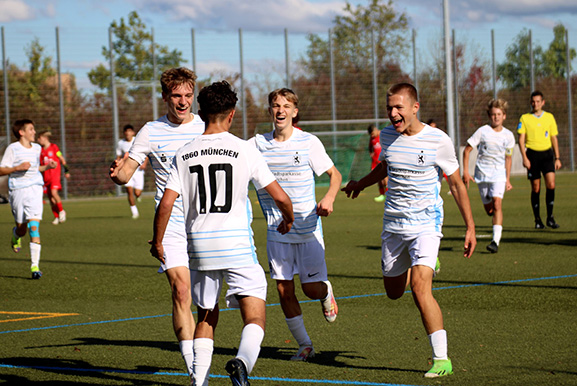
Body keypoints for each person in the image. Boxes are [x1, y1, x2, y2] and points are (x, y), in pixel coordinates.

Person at [150, 80, 294, 386]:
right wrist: (289, 218)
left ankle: (198, 381)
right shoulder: (244, 150)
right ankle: (241, 363)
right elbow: (280, 197)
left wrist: (159, 241)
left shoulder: (184, 153)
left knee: (206, 315)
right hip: (237, 246)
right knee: (254, 316)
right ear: (232, 114)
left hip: (200, 247)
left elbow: (165, 203)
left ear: (200, 112)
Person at [342, 83, 476, 378]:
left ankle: (441, 359)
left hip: (425, 224)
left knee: (419, 287)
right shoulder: (388, 136)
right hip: (394, 224)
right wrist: (360, 184)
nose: (392, 113)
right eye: (389, 108)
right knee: (393, 292)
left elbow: (455, 184)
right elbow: (385, 167)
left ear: (415, 107)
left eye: (399, 107)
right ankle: (422, 262)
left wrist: (470, 227)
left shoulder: (437, 140)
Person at [109, 67, 205, 382]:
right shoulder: (151, 131)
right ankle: (195, 370)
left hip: (207, 222)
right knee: (181, 291)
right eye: (177, 95)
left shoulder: (206, 128)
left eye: (188, 95)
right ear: (165, 97)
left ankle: (199, 356)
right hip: (171, 222)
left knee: (206, 300)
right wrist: (118, 172)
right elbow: (126, 174)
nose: (183, 101)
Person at [249, 88, 341, 362]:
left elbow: (334, 175)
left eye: (286, 106)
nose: (280, 111)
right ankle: (305, 344)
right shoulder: (256, 145)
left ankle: (326, 292)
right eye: (276, 106)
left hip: (308, 229)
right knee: (283, 288)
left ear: (294, 111)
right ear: (270, 110)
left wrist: (329, 197)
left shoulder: (309, 142)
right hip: (277, 231)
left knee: (310, 290)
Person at [0, 119, 57, 279]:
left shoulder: (37, 148)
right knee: (22, 228)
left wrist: (47, 167)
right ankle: (16, 235)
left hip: (35, 189)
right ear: (21, 132)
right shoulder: (13, 148)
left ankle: (35, 266)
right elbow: (1, 170)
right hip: (18, 190)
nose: (34, 132)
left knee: (34, 227)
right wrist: (16, 168)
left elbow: (35, 168)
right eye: (31, 129)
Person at [463, 99, 515, 253]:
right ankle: (493, 219)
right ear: (489, 116)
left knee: (497, 204)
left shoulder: (509, 136)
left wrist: (507, 179)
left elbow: (508, 158)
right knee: (489, 210)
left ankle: (495, 242)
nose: (496, 117)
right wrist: (466, 171)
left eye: (499, 114)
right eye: (493, 114)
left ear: (504, 116)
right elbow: (467, 150)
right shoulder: (482, 131)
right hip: (482, 175)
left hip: (499, 175)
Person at [517, 90, 561, 229]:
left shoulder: (549, 117)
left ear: (543, 102)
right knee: (536, 188)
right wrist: (524, 157)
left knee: (551, 184)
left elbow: (554, 138)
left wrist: (557, 157)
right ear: (531, 103)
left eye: (538, 101)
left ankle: (550, 217)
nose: (535, 104)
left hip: (547, 155)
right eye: (533, 101)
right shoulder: (524, 118)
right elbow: (521, 138)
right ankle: (537, 219)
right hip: (532, 155)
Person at [37, 130, 70, 225]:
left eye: (40, 138)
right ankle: (56, 216)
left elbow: (62, 158)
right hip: (45, 177)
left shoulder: (54, 147)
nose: (38, 140)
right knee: (51, 199)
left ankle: (62, 211)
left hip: (54, 176)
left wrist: (66, 170)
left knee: (53, 192)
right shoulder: (41, 151)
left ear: (45, 138)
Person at [116, 124, 147, 219]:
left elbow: (145, 152)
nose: (128, 133)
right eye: (126, 132)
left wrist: (144, 163)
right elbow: (118, 156)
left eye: (130, 131)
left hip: (138, 171)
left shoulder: (137, 140)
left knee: (137, 193)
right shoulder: (121, 143)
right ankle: (134, 211)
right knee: (129, 191)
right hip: (127, 170)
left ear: (133, 132)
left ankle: (138, 196)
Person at [367, 124, 388, 202]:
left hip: (383, 161)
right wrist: (371, 153)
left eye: (372, 133)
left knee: (385, 179)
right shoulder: (372, 138)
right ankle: (382, 194)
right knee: (378, 180)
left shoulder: (383, 135)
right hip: (375, 161)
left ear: (376, 130)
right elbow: (370, 147)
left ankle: (388, 194)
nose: (372, 135)